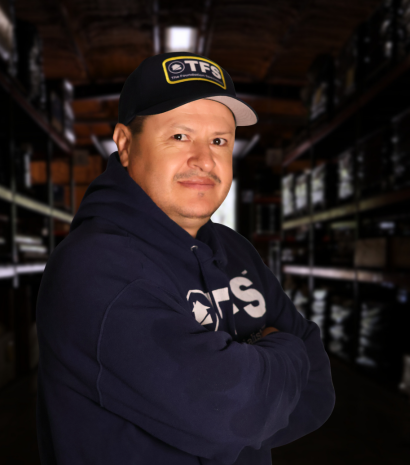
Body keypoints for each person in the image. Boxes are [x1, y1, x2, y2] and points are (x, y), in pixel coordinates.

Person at [36, 51, 335, 465]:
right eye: (180, 136)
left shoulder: (235, 250)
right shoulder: (92, 268)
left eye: (219, 141)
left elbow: (318, 390)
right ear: (125, 144)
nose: (205, 160)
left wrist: (254, 380)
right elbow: (236, 415)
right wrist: (284, 349)